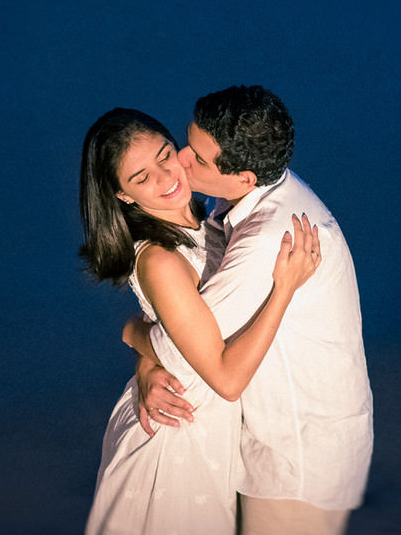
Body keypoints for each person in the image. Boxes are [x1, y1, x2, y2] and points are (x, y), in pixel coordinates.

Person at [129, 85, 373, 535]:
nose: (182, 160)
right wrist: (148, 365)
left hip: (295, 461)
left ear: (244, 177)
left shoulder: (267, 241)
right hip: (295, 444)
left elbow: (186, 348)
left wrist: (131, 334)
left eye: (198, 160)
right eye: (188, 143)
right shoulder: (256, 189)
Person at [79, 108, 322, 535]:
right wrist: (285, 288)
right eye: (141, 178)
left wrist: (143, 350)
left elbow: (176, 326)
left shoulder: (212, 221)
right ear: (122, 196)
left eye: (165, 155)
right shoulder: (158, 258)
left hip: (205, 422)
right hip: (180, 428)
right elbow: (226, 380)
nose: (166, 176)